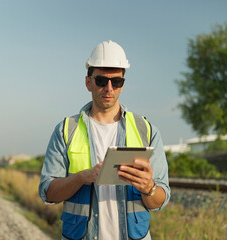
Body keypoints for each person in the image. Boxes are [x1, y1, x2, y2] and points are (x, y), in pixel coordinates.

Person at [39, 40, 170, 240]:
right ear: (88, 82)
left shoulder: (147, 130)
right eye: (101, 81)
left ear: (122, 85)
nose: (109, 88)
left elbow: (160, 200)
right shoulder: (66, 130)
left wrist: (149, 188)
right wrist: (82, 177)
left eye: (116, 81)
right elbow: (47, 193)